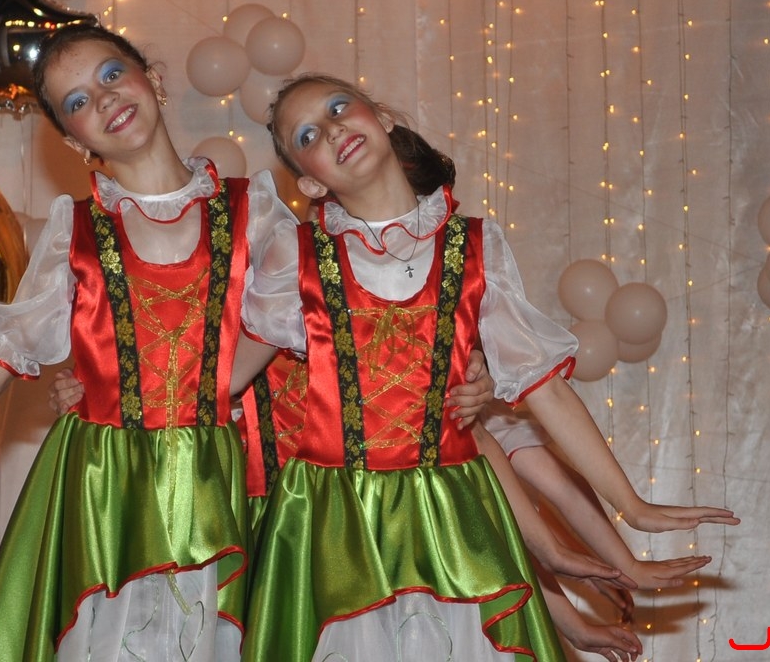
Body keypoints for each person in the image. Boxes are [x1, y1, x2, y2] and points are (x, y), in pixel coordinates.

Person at [233, 73, 738, 661]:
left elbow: (544, 392)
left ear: (383, 117)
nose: (332, 128)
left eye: (339, 107)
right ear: (311, 182)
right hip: (332, 521)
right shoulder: (295, 258)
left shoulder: (473, 248)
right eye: (308, 135)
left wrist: (635, 506)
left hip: (451, 511)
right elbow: (224, 380)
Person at [0, 22, 292, 661]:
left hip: (224, 487)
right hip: (107, 493)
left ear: (152, 80)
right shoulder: (75, 233)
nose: (104, 99)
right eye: (78, 101)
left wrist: (191, 396)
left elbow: (301, 327)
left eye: (112, 74)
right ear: (74, 140)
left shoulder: (257, 211)